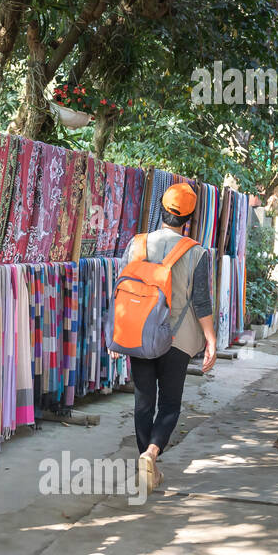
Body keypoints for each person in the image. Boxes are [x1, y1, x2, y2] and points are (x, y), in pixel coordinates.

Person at [116, 183, 217, 492]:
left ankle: (147, 462)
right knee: (170, 405)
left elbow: (120, 289)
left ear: (160, 209)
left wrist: (117, 332)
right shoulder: (197, 252)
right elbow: (201, 301)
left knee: (143, 402)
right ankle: (152, 454)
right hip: (178, 339)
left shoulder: (137, 244)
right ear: (189, 218)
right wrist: (211, 340)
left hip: (139, 333)